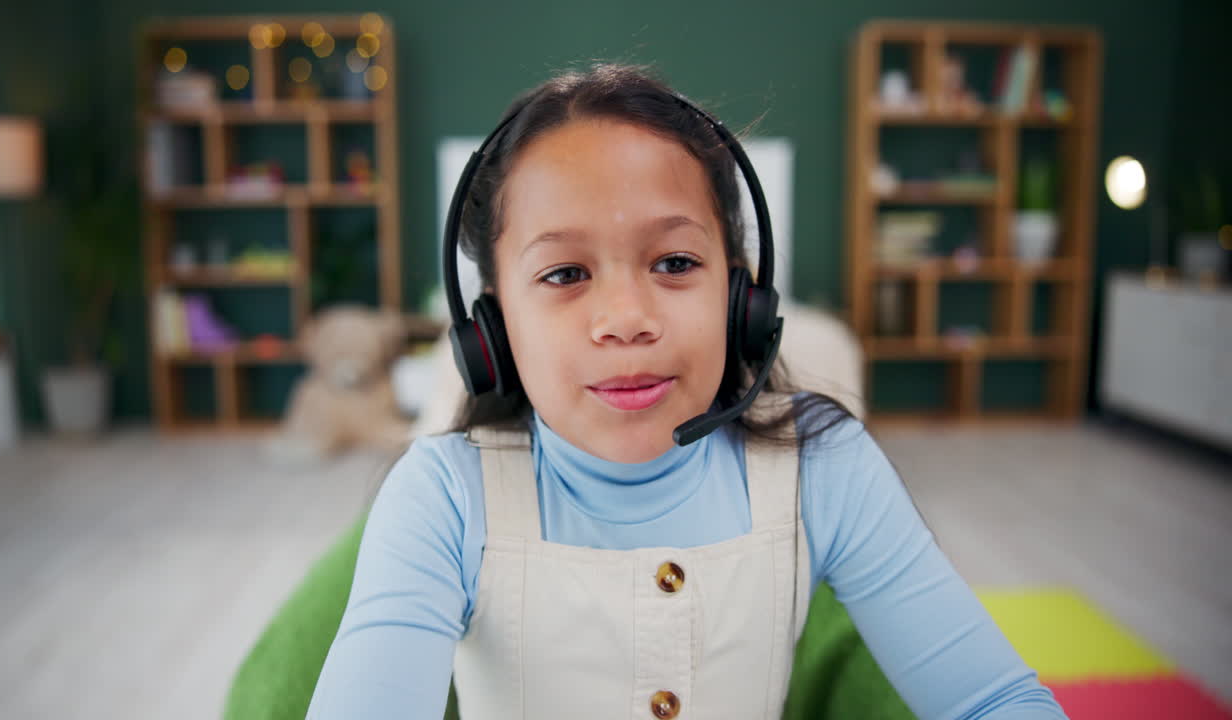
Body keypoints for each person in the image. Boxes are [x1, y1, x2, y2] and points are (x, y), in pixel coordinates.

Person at [306, 63, 1067, 719]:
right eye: (565, 274)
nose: (628, 320)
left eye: (674, 263)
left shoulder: (824, 464)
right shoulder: (443, 499)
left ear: (743, 300)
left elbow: (992, 700)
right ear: (493, 331)